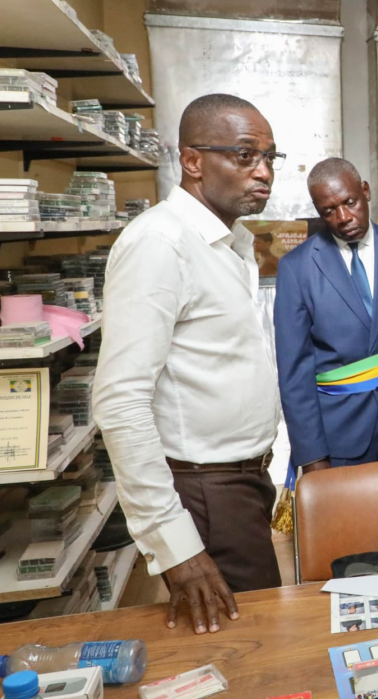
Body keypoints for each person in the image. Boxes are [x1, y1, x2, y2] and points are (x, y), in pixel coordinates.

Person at [93, 93, 284, 634]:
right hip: (204, 492)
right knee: (248, 643)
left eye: (270, 158)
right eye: (245, 156)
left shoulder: (227, 244)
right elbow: (121, 401)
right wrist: (176, 546)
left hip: (240, 484)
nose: (264, 173)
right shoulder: (160, 243)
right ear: (193, 160)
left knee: (246, 638)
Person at [276, 158, 378, 474]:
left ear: (365, 191)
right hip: (340, 436)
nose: (343, 217)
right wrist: (311, 454)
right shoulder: (296, 269)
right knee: (348, 525)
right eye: (329, 211)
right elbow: (294, 371)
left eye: (349, 202)